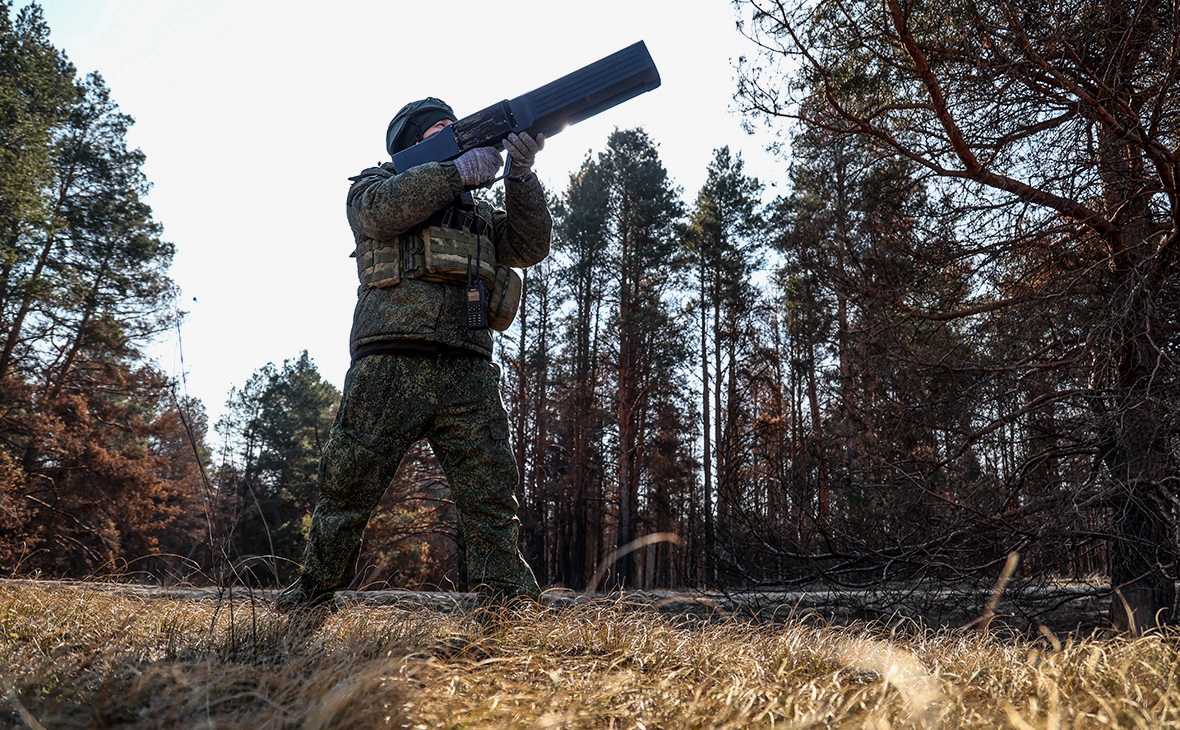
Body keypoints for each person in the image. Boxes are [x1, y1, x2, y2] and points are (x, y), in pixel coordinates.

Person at [276, 97, 551, 610]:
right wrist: (453, 174)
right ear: (410, 146)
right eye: (438, 132)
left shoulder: (481, 215)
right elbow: (380, 215)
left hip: (467, 365)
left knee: (491, 496)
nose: (454, 133)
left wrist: (521, 177)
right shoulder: (373, 185)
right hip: (389, 363)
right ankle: (310, 598)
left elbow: (530, 246)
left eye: (455, 127)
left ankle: (509, 608)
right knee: (347, 486)